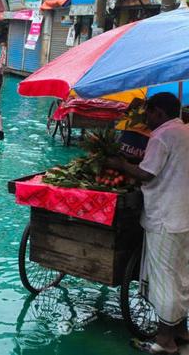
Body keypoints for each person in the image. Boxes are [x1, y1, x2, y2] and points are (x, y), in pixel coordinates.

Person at [107, 92, 189, 355]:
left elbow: (146, 173)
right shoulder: (186, 132)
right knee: (181, 276)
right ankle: (180, 329)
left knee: (164, 278)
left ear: (159, 113)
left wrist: (120, 164)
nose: (146, 119)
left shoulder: (162, 136)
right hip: (184, 216)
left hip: (165, 218)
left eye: (149, 113)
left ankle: (165, 341)